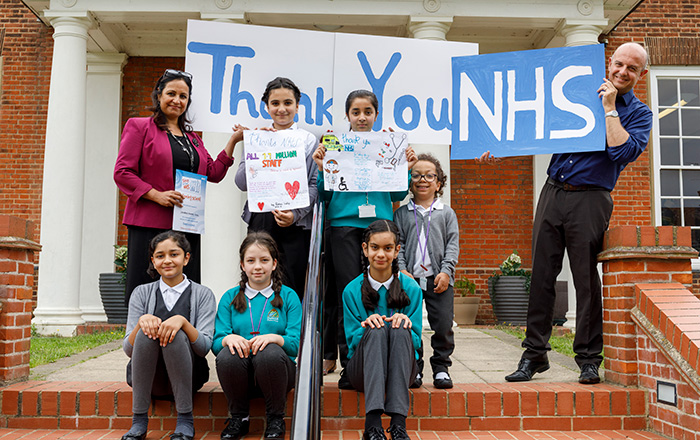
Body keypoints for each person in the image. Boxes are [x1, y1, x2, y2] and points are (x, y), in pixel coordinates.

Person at [501, 42, 653, 384]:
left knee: (585, 278)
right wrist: (497, 146)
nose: (621, 72)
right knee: (541, 275)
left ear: (640, 75)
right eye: (618, 64)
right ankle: (534, 354)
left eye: (631, 68)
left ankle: (587, 358)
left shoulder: (640, 114)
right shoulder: (573, 93)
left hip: (591, 198)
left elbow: (623, 152)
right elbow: (531, 125)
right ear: (609, 62)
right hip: (553, 190)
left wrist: (610, 107)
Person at [312, 90, 417, 383]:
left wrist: (405, 169)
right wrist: (322, 170)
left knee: (380, 285)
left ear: (376, 115)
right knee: (347, 290)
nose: (361, 117)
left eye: (367, 111)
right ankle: (350, 359)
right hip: (344, 225)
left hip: (380, 224)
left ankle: (381, 348)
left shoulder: (388, 144)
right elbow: (324, 193)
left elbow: (396, 193)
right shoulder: (334, 144)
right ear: (347, 115)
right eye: (355, 112)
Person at [114, 69, 237, 306]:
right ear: (158, 95)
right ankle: (141, 337)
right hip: (151, 223)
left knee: (185, 289)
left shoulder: (193, 139)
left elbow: (214, 173)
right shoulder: (140, 127)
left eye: (183, 96)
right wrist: (155, 195)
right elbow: (122, 172)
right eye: (171, 93)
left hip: (187, 224)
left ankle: (184, 336)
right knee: (147, 287)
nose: (177, 100)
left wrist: (232, 141)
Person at [121, 231, 216, 440]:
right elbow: (128, 350)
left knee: (175, 334)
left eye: (174, 254)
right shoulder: (141, 293)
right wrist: (141, 323)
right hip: (149, 377)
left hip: (189, 376)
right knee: (146, 334)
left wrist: (183, 322)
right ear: (153, 261)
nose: (167, 260)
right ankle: (139, 421)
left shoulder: (203, 294)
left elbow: (204, 347)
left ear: (186, 258)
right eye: (160, 255)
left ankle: (185, 419)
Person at [233, 77, 318, 299]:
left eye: (288, 103)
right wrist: (253, 146)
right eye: (275, 103)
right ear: (267, 107)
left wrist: (296, 214)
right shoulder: (257, 138)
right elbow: (241, 182)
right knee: (257, 277)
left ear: (298, 106)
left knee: (292, 282)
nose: (282, 109)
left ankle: (290, 333)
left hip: (295, 223)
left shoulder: (308, 140)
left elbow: (313, 184)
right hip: (261, 218)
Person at [213, 231, 302, 440]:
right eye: (251, 261)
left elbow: (296, 344)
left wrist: (275, 338)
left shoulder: (289, 296)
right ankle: (239, 418)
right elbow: (216, 342)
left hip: (278, 372)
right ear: (243, 265)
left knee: (269, 352)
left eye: (264, 260)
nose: (258, 266)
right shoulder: (230, 297)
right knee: (227, 355)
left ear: (274, 264)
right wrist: (227, 339)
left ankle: (275, 419)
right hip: (241, 374)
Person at [343, 220, 422, 440]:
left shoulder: (412, 289)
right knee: (376, 329)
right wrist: (367, 328)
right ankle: (373, 425)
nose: (381, 254)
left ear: (397, 251)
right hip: (363, 370)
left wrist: (404, 324)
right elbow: (351, 343)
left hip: (402, 368)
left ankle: (398, 425)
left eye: (388, 248)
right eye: (375, 247)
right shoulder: (351, 290)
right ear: (365, 249)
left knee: (399, 327)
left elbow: (417, 343)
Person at [394, 153, 459, 389]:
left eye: (429, 175)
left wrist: (446, 272)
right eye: (417, 175)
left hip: (438, 279)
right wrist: (401, 270)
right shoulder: (401, 213)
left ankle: (441, 368)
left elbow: (452, 246)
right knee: (410, 326)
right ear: (410, 181)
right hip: (409, 280)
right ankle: (415, 368)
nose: (423, 179)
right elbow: (397, 245)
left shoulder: (447, 213)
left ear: (438, 183)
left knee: (442, 325)